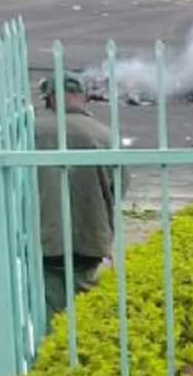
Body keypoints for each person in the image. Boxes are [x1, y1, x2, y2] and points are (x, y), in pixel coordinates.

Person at [34, 72, 127, 327]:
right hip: (91, 236)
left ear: (50, 98)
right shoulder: (105, 135)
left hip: (45, 237)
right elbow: (119, 187)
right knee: (86, 312)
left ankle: (52, 346)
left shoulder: (32, 132)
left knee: (50, 309)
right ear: (84, 96)